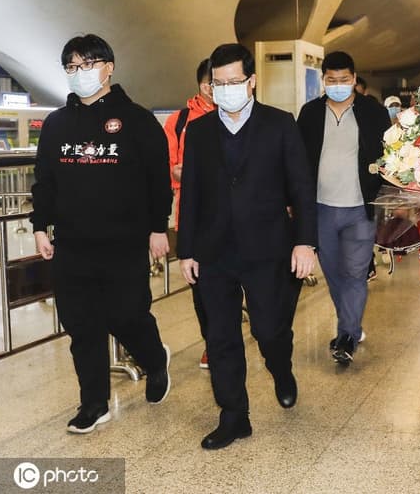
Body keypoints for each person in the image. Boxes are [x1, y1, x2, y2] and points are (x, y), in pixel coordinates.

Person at [177, 43, 317, 450]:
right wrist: (186, 250)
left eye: (234, 82)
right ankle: (234, 415)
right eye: (217, 84)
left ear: (252, 81)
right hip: (213, 251)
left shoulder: (280, 124)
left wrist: (305, 242)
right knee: (220, 335)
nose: (225, 90)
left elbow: (301, 188)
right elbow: (191, 194)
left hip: (269, 247)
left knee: (269, 329)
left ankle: (281, 367)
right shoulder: (199, 131)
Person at [31, 34, 173, 434]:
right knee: (82, 325)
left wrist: (158, 227)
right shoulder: (57, 124)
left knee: (126, 315)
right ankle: (94, 404)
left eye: (88, 64)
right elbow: (45, 181)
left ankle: (154, 358)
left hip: (124, 242)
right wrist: (40, 226)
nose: (80, 72)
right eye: (72, 66)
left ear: (108, 68)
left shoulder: (138, 121)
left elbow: (158, 181)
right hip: (72, 244)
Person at [296, 51, 391, 366]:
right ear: (324, 80)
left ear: (353, 78)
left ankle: (346, 335)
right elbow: (297, 161)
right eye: (332, 80)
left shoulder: (373, 112)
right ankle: (351, 325)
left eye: (344, 79)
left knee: (354, 272)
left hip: (360, 209)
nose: (338, 85)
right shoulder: (310, 113)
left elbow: (389, 156)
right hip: (321, 209)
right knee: (334, 273)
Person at [162, 58, 216, 369]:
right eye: (210, 84)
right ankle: (212, 341)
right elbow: (171, 168)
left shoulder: (239, 116)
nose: (215, 90)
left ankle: (224, 336)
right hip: (192, 216)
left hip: (234, 217)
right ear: (201, 84)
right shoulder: (179, 121)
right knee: (200, 285)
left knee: (228, 281)